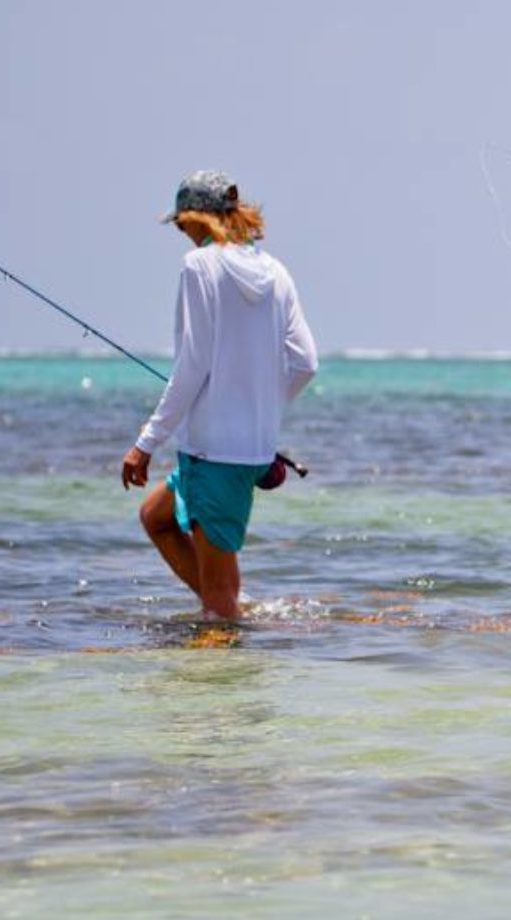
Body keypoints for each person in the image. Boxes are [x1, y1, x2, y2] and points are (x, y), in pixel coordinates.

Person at [121, 170, 318, 621]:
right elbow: (306, 363)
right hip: (245, 452)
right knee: (157, 517)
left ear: (198, 218)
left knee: (218, 601)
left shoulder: (199, 267)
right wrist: (260, 412)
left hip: (213, 453)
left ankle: (225, 636)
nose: (180, 231)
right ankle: (232, 609)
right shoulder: (276, 270)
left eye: (181, 221)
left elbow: (193, 364)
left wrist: (145, 444)